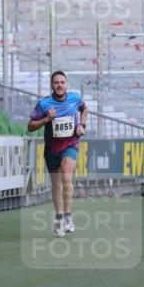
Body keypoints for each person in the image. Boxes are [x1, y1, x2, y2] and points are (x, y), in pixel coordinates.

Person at [28, 70, 87, 237]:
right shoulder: (44, 104)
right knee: (56, 184)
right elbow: (30, 126)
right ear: (52, 85)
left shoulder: (75, 98)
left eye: (62, 82)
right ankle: (59, 216)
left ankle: (68, 217)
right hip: (52, 148)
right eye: (56, 82)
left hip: (71, 144)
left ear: (66, 84)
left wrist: (82, 125)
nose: (59, 85)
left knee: (66, 177)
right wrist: (46, 119)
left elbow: (84, 109)